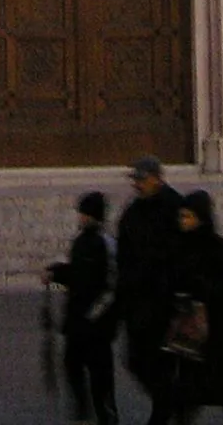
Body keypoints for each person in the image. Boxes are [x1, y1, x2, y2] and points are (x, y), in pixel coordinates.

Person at [165, 190, 223, 425]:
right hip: (190, 337)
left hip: (218, 333)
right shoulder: (179, 246)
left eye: (188, 217)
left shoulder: (218, 248)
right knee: (185, 396)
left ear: (201, 218)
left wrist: (208, 289)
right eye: (181, 216)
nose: (183, 222)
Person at [116, 157, 182, 423]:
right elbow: (124, 248)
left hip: (163, 300)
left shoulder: (175, 207)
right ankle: (167, 402)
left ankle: (163, 411)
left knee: (161, 361)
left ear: (156, 178)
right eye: (135, 179)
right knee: (135, 359)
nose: (137, 184)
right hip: (137, 298)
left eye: (141, 179)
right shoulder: (135, 210)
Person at [47, 191, 118, 425]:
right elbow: (76, 276)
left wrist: (94, 317)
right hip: (76, 321)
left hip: (97, 326)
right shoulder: (81, 241)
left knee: (101, 378)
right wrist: (56, 274)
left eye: (84, 214)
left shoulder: (105, 244)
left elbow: (111, 285)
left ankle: (106, 417)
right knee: (71, 365)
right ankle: (83, 412)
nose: (80, 218)